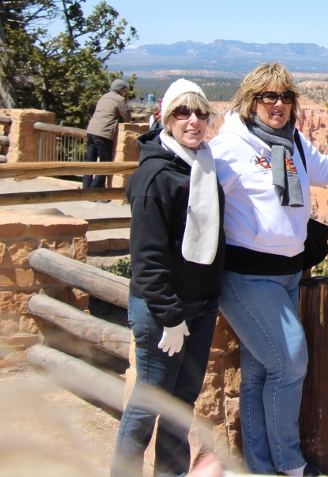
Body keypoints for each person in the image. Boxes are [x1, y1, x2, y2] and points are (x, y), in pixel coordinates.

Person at [210, 62, 328, 477]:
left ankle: (259, 467)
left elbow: (325, 171)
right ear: (250, 100)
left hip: (289, 274)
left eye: (286, 97)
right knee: (292, 362)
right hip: (246, 278)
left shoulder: (290, 140)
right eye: (268, 97)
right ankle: (291, 464)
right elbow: (195, 199)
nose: (278, 105)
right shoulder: (229, 147)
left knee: (261, 373)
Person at [111, 79, 226, 477]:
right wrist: (170, 316)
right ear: (167, 119)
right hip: (164, 310)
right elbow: (146, 259)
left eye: (200, 113)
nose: (192, 121)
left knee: (181, 403)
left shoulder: (204, 164)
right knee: (150, 401)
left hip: (200, 305)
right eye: (182, 112)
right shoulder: (155, 177)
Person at [84, 78, 132, 188]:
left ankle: (86, 189)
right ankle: (96, 192)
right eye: (125, 91)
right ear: (122, 90)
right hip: (103, 133)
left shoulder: (104, 96)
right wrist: (125, 101)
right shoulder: (119, 99)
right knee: (105, 163)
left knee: (89, 162)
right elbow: (127, 117)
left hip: (91, 131)